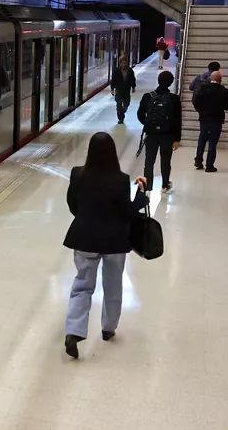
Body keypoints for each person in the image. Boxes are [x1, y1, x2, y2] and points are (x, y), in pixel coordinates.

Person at [62, 132, 149, 359]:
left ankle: (73, 332)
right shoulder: (120, 180)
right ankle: (108, 328)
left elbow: (72, 205)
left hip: (84, 237)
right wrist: (141, 198)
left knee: (82, 285)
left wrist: (87, 218)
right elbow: (126, 213)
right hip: (114, 241)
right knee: (113, 284)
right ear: (112, 153)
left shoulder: (77, 174)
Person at [137, 71, 183, 193]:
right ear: (171, 83)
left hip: (151, 135)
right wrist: (177, 139)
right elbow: (177, 120)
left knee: (149, 161)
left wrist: (148, 125)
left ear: (158, 80)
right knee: (165, 161)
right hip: (167, 135)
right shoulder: (174, 98)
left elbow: (140, 114)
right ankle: (164, 186)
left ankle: (148, 186)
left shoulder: (148, 96)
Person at [192, 71, 228, 172]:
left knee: (202, 139)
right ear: (220, 79)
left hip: (204, 118)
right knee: (213, 142)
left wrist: (201, 111)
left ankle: (198, 160)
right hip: (217, 119)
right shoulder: (224, 91)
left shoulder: (202, 88)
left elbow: (195, 101)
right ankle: (209, 165)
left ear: (210, 78)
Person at [110, 56, 136, 124]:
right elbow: (113, 80)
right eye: (123, 63)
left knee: (126, 105)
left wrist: (133, 87)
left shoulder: (130, 70)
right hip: (118, 90)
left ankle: (122, 111)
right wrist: (112, 89)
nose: (124, 64)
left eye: (125, 63)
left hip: (126, 91)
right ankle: (120, 119)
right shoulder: (116, 71)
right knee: (119, 104)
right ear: (120, 63)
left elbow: (133, 79)